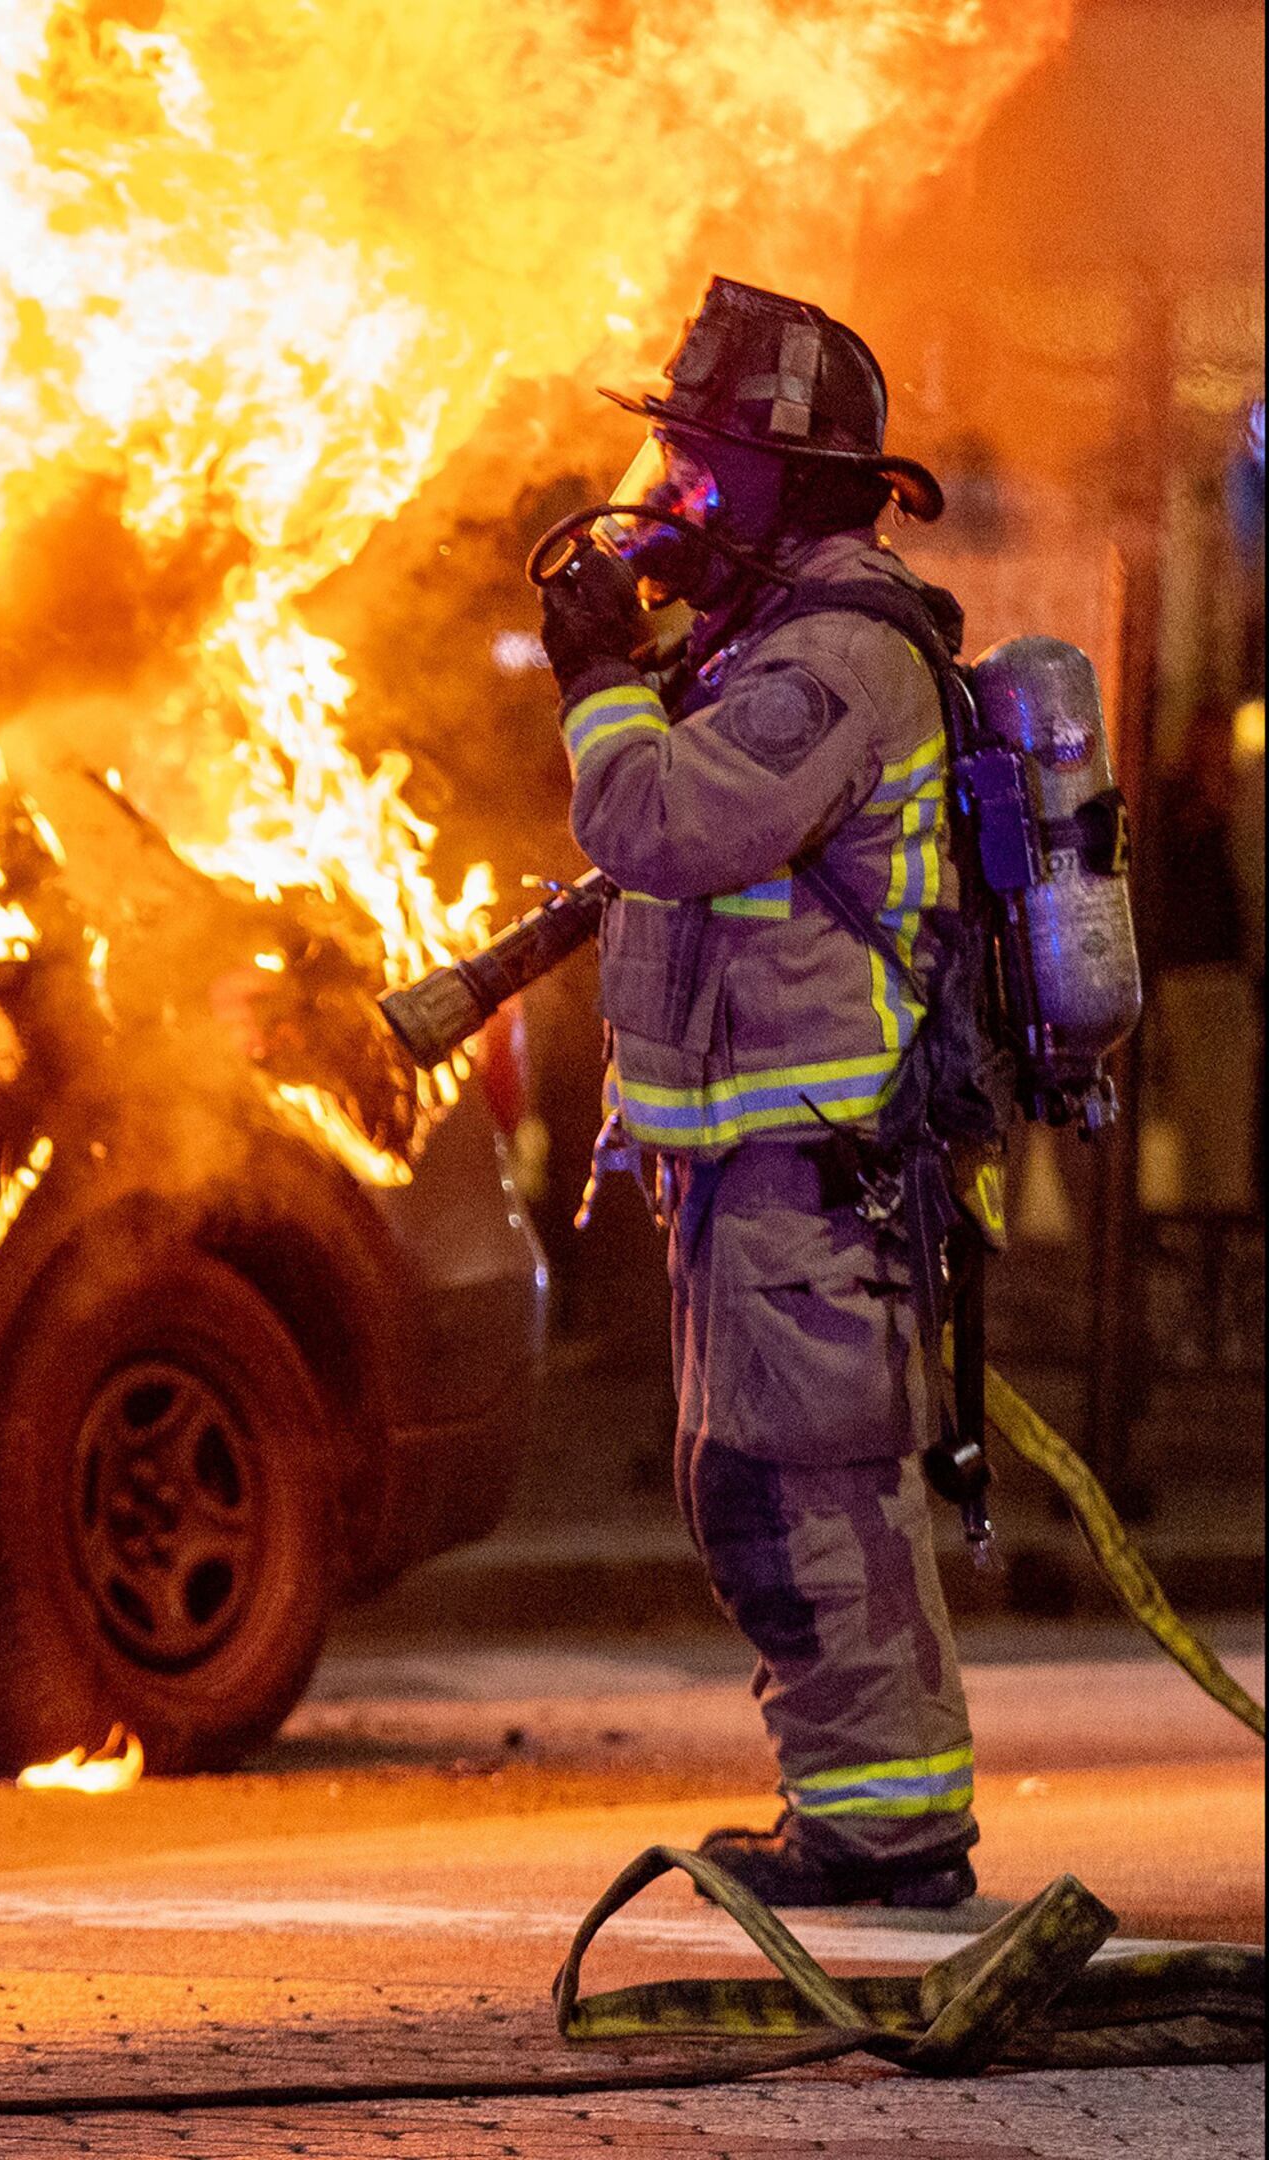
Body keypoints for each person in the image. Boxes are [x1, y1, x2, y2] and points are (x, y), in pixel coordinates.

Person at [540, 276, 981, 1909]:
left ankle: (887, 1835)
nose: (670, 493)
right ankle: (864, 1817)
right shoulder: (766, 654)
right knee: (772, 1493)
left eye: (701, 465)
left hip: (813, 1174)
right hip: (761, 1176)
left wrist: (599, 675)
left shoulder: (834, 664)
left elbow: (665, 823)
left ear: (789, 484)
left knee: (808, 1498)